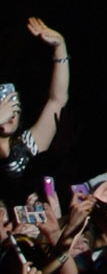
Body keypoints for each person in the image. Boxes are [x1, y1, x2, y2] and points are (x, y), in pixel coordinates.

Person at [0, 17, 71, 187]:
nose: (11, 111)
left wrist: (60, 48)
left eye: (14, 103)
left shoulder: (26, 146)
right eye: (3, 103)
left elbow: (57, 100)